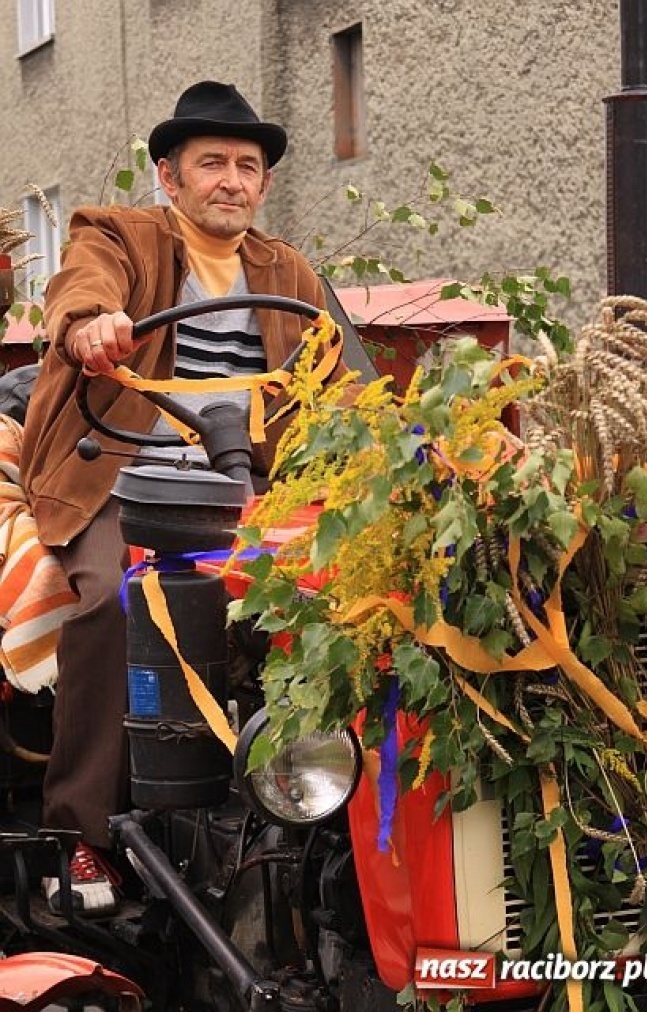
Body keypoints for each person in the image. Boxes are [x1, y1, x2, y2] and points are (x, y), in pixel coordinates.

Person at [19, 80, 343, 916]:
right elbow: (80, 289)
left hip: (246, 486)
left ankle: (313, 809)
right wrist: (91, 323)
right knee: (111, 602)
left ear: (264, 184)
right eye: (211, 165)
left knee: (348, 600)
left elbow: (340, 386)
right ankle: (79, 833)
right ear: (170, 177)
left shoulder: (290, 273)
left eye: (246, 166)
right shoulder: (118, 235)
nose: (231, 180)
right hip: (121, 468)